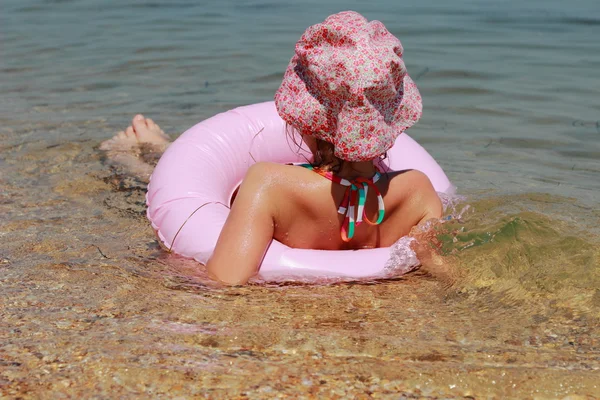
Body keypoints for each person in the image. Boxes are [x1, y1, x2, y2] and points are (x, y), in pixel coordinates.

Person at [101, 11, 444, 285]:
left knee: (155, 184)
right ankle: (159, 153)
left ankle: (145, 158)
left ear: (307, 117)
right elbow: (438, 268)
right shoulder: (418, 192)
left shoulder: (270, 184)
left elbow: (225, 279)